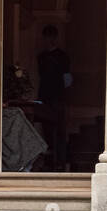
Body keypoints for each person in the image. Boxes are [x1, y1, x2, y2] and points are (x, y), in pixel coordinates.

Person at [35, 25, 72, 171]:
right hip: (44, 96)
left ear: (55, 38)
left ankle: (60, 161)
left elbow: (67, 79)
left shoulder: (63, 56)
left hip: (58, 97)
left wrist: (64, 96)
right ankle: (49, 161)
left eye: (50, 37)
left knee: (60, 129)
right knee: (46, 129)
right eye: (45, 37)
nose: (47, 40)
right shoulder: (41, 57)